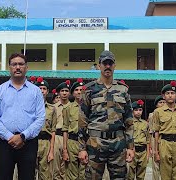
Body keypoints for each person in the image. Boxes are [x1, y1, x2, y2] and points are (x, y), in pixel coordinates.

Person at [78, 50, 134, 179]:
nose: (107, 66)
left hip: (118, 144)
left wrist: (130, 147)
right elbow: (82, 121)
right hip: (95, 144)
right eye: (104, 63)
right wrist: (82, 148)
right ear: (99, 66)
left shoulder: (123, 90)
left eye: (110, 63)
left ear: (114, 66)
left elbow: (129, 121)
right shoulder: (89, 90)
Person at [0, 53, 45, 180]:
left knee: (27, 177)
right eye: (14, 64)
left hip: (28, 143)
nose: (18, 67)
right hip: (4, 142)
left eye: (21, 64)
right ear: (9, 67)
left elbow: (40, 118)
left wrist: (23, 136)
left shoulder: (35, 91)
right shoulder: (0, 90)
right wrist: (10, 137)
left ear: (27, 67)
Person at [153, 81, 176, 179]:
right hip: (164, 143)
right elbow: (156, 132)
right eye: (167, 93)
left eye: (172, 93)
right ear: (163, 96)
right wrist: (156, 152)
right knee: (165, 174)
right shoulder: (158, 112)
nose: (170, 95)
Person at [62, 78, 86, 180]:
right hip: (72, 143)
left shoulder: (90, 108)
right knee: (72, 175)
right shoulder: (68, 108)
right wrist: (65, 150)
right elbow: (65, 129)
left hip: (86, 143)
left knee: (85, 173)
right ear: (72, 93)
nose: (79, 92)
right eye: (76, 90)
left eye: (81, 89)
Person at [34, 77, 57, 180]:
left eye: (44, 88)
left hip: (46, 143)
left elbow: (53, 131)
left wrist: (51, 151)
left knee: (45, 175)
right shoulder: (29, 107)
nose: (42, 91)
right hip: (32, 142)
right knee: (29, 173)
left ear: (47, 91)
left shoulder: (52, 109)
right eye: (40, 88)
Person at [53, 79, 71, 180]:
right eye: (62, 91)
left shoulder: (73, 107)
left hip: (69, 138)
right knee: (55, 168)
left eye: (66, 91)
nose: (64, 93)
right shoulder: (53, 107)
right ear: (59, 93)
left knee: (67, 168)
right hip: (56, 137)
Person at [127, 100, 149, 180]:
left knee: (141, 175)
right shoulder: (129, 123)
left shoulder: (145, 124)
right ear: (132, 111)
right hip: (133, 150)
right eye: (136, 110)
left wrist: (148, 154)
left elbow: (148, 139)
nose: (138, 112)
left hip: (143, 151)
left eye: (140, 110)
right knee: (130, 175)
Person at [147, 95, 165, 180]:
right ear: (156, 105)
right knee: (156, 163)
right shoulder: (152, 115)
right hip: (155, 139)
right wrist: (150, 146)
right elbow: (150, 131)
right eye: (160, 102)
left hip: (165, 139)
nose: (162, 104)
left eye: (163, 102)